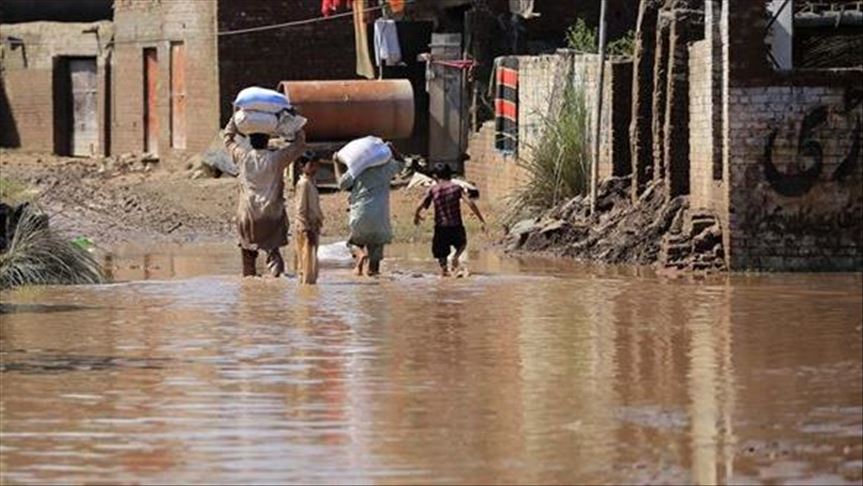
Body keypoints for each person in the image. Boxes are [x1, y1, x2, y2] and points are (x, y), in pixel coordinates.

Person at [223, 118, 306, 277]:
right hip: (271, 214)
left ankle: (249, 287)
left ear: (250, 141)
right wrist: (294, 124)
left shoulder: (242, 156)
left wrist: (234, 119)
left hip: (247, 215)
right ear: (267, 141)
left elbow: (228, 139)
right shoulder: (277, 159)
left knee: (248, 256)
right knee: (273, 253)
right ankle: (277, 284)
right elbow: (300, 144)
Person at [336, 142, 404, 277]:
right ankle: (373, 276)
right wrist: (392, 147)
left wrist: (335, 163)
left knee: (353, 243)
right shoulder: (385, 169)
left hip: (360, 215)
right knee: (375, 264)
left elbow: (341, 184)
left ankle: (360, 254)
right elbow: (402, 164)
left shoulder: (356, 170)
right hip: (380, 219)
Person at [414, 163, 486, 277]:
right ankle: (456, 257)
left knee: (441, 253)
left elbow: (420, 204)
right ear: (450, 174)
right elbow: (470, 203)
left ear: (435, 176)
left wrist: (416, 216)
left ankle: (444, 271)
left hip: (441, 226)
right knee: (462, 244)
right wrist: (481, 219)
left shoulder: (433, 189)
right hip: (456, 225)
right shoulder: (456, 188)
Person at [294, 154, 323, 285]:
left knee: (310, 264)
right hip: (306, 228)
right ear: (302, 167)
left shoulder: (311, 182)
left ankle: (308, 291)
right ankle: (305, 291)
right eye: (311, 165)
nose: (314, 168)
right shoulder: (303, 183)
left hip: (313, 226)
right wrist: (305, 229)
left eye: (316, 165)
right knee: (306, 265)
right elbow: (300, 209)